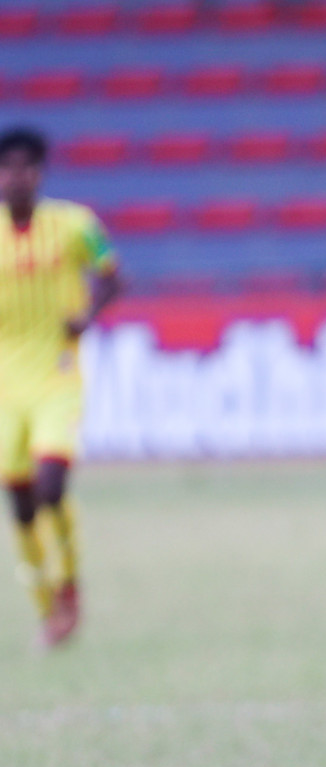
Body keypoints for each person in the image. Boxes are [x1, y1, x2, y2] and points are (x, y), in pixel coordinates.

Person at [0, 126, 121, 647]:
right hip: (5, 382)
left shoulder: (75, 226)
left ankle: (69, 583)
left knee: (52, 484)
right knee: (20, 501)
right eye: (8, 168)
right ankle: (45, 603)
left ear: (40, 173)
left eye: (26, 167)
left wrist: (88, 314)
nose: (17, 176)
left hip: (57, 373)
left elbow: (113, 274)